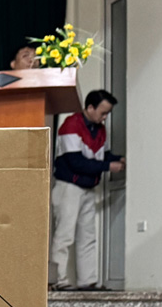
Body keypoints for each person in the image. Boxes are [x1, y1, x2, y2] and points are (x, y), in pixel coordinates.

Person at [50, 89, 121, 290]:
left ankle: (87, 281)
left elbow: (103, 155)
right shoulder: (71, 125)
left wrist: (119, 159)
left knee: (87, 237)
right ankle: (59, 281)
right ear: (90, 108)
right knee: (64, 235)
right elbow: (76, 162)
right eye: (103, 113)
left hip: (88, 187)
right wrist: (108, 166)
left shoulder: (100, 130)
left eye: (107, 113)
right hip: (69, 187)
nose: (105, 117)